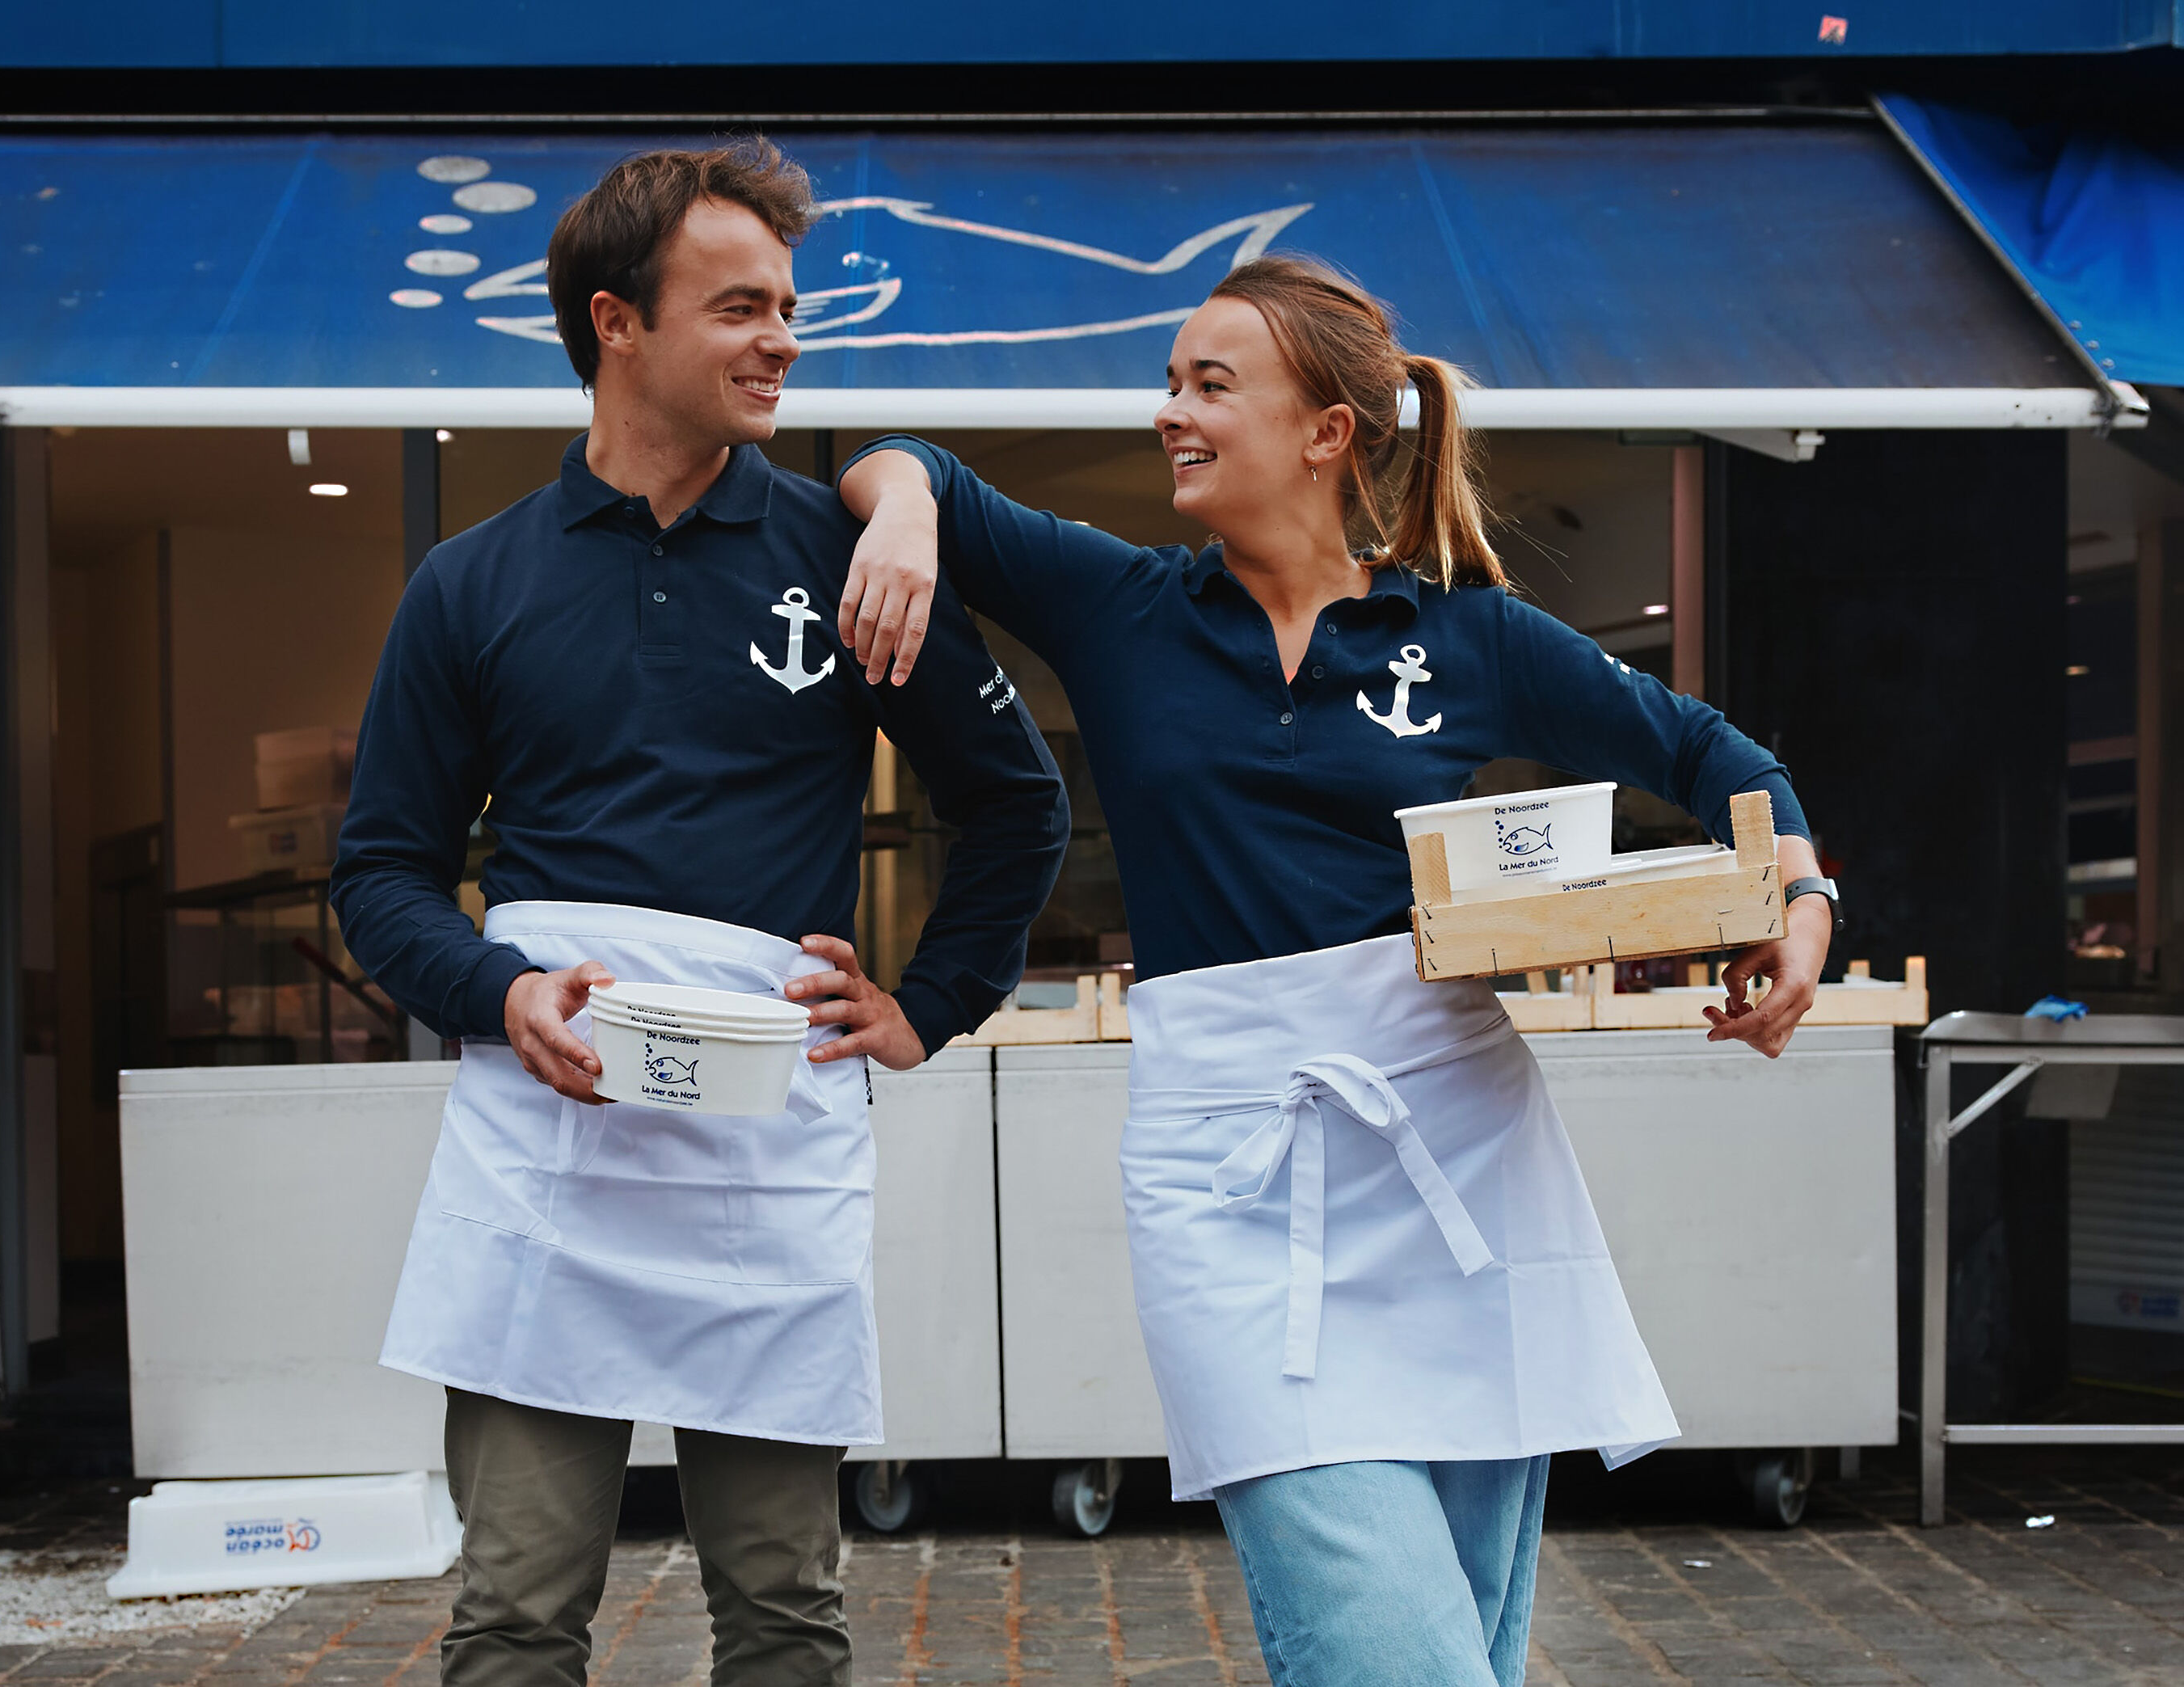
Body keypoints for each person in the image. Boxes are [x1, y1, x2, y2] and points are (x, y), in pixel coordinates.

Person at [834, 255, 1838, 1687]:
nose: (1172, 412)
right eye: (1172, 383)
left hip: (1458, 1169)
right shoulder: (1122, 606)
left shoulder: (1467, 633)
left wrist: (1799, 900)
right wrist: (908, 518)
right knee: (1391, 1651)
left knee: (1466, 1648)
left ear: (1326, 431)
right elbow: (900, 461)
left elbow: (1712, 754)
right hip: (1225, 1181)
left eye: (1211, 385)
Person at [331, 140, 1069, 1687]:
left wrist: (930, 1003)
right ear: (617, 323)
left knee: (787, 1619)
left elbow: (1018, 803)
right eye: (741, 308)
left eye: (787, 306)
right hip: (548, 1148)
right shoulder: (469, 585)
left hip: (765, 1149)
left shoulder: (847, 560)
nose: (782, 340)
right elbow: (380, 873)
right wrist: (495, 990)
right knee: (515, 1619)